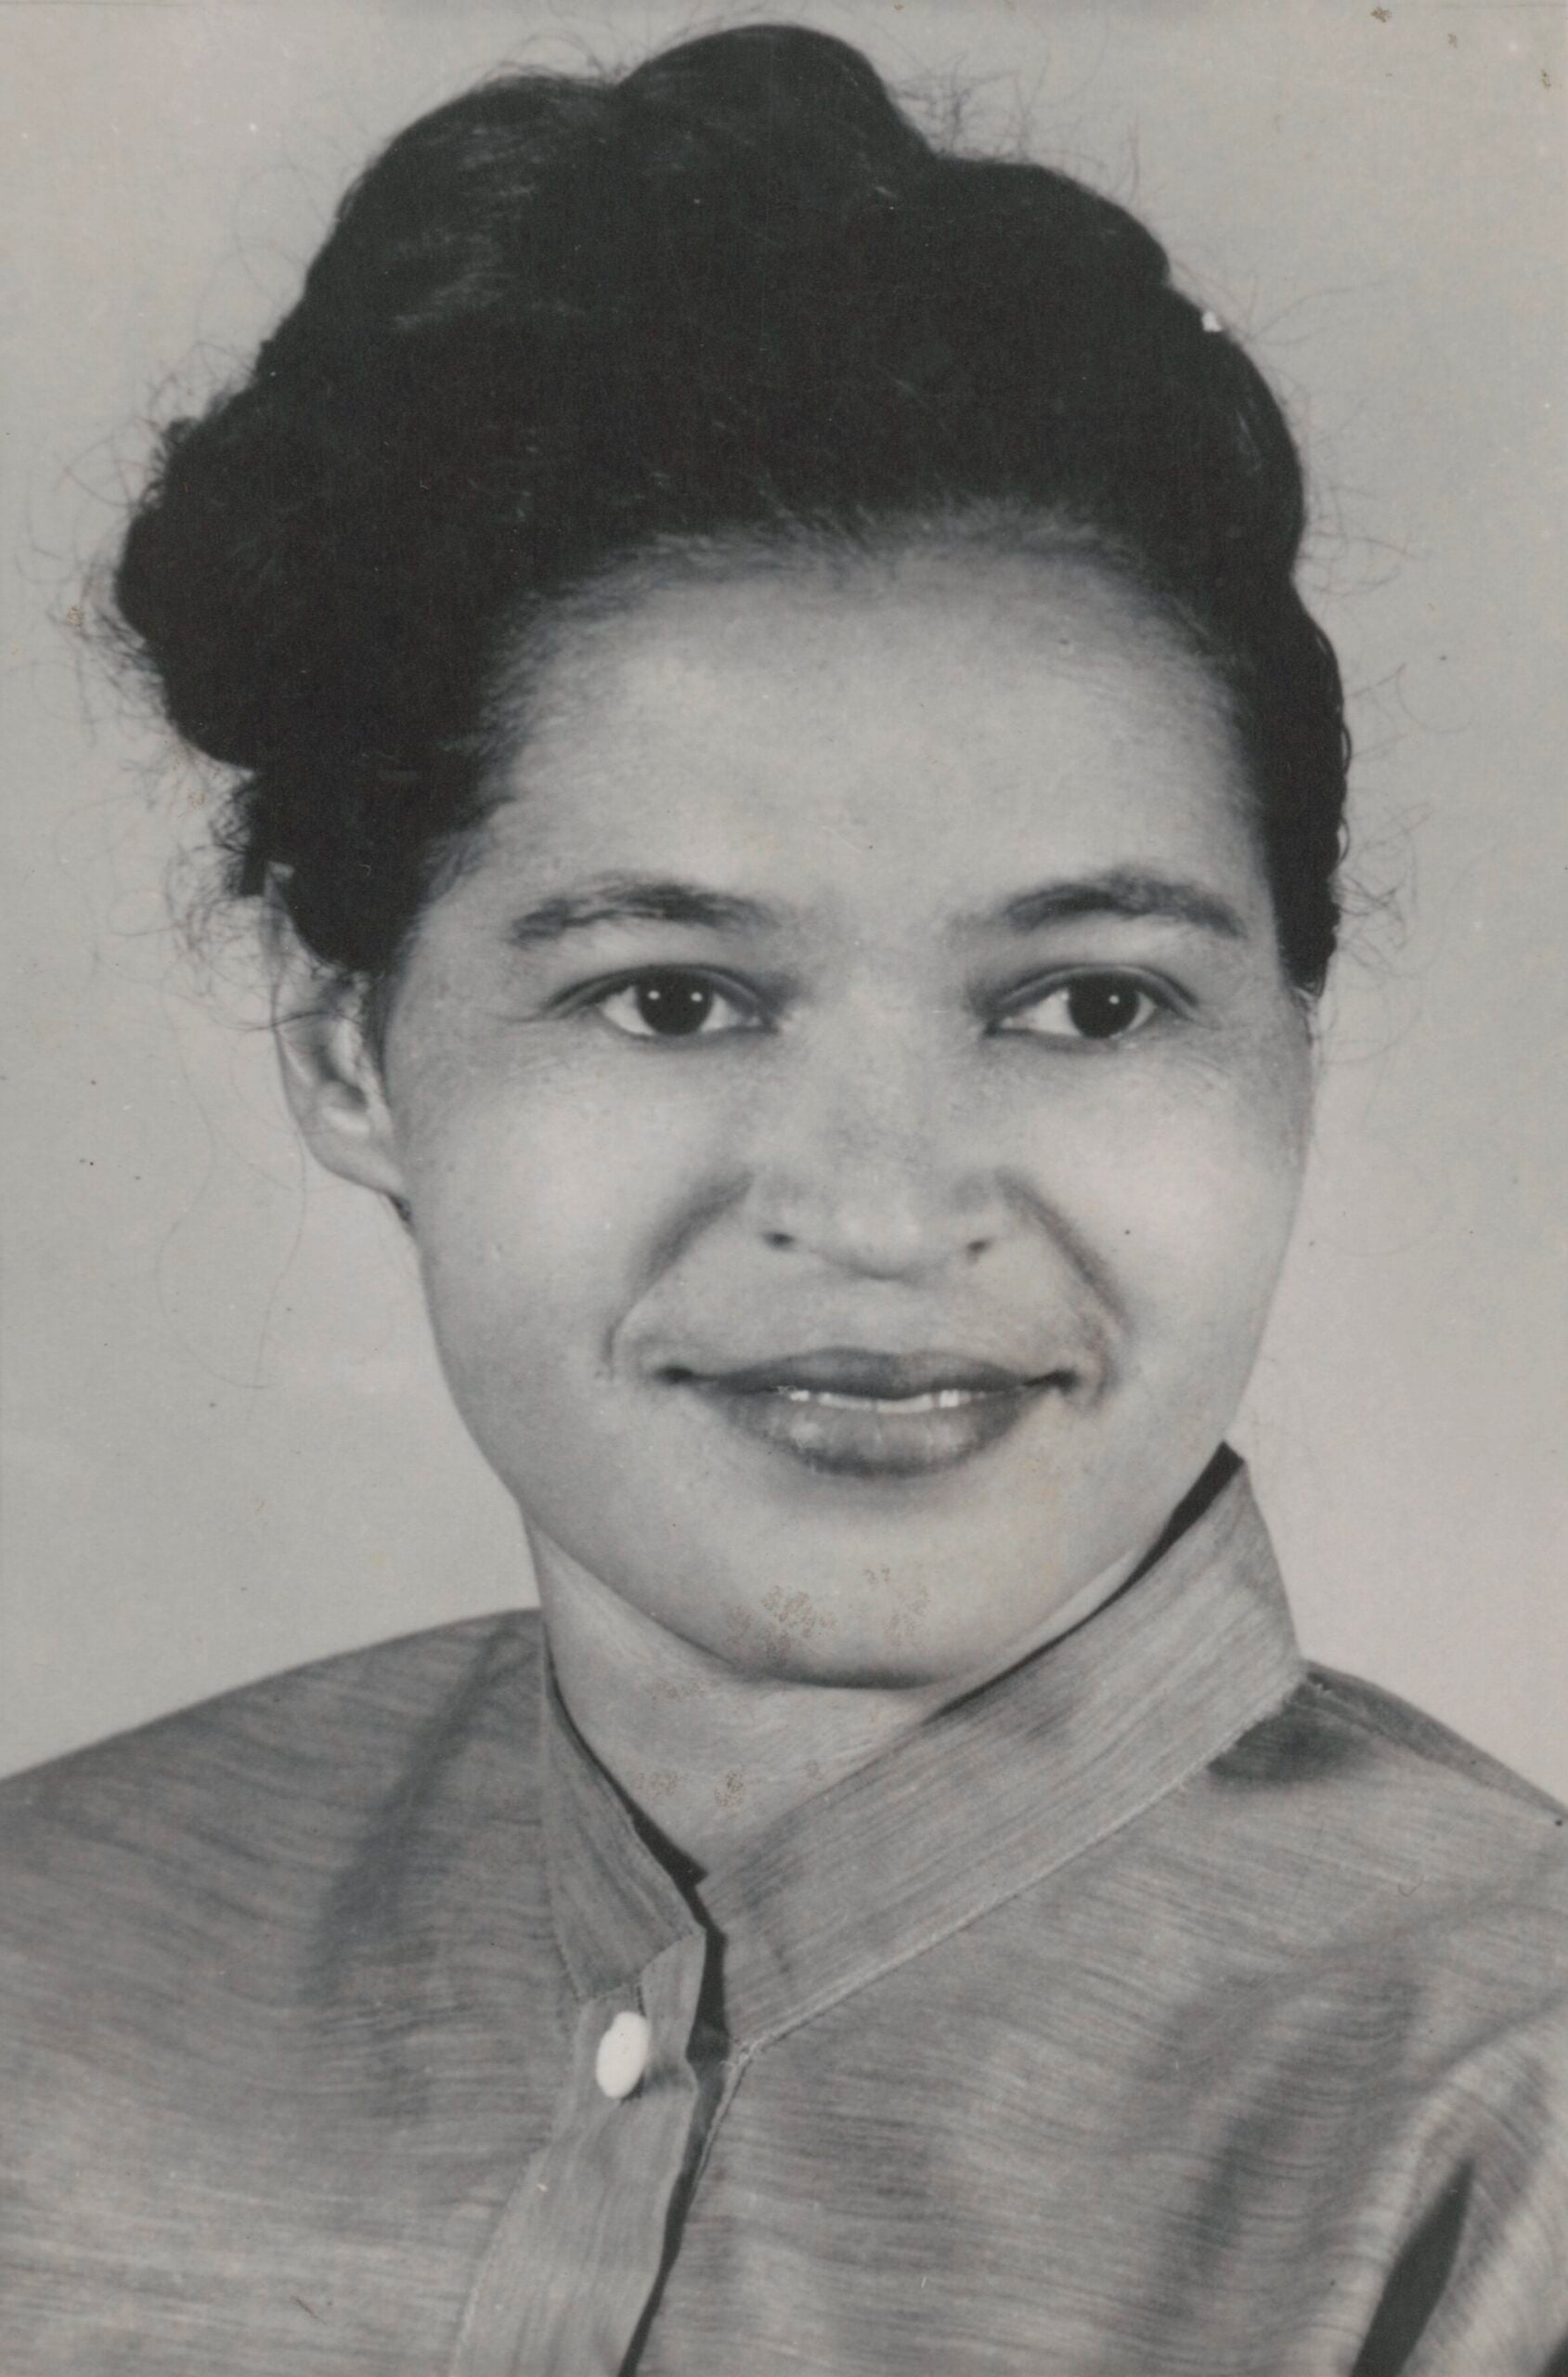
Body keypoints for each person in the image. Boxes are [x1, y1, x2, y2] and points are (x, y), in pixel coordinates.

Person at [1, 21, 1563, 2372]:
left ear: (1292, 1039)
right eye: (669, 998)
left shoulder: (1493, 2124)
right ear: (346, 1043)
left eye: (1087, 1003)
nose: (884, 1207)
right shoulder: (45, 1956)